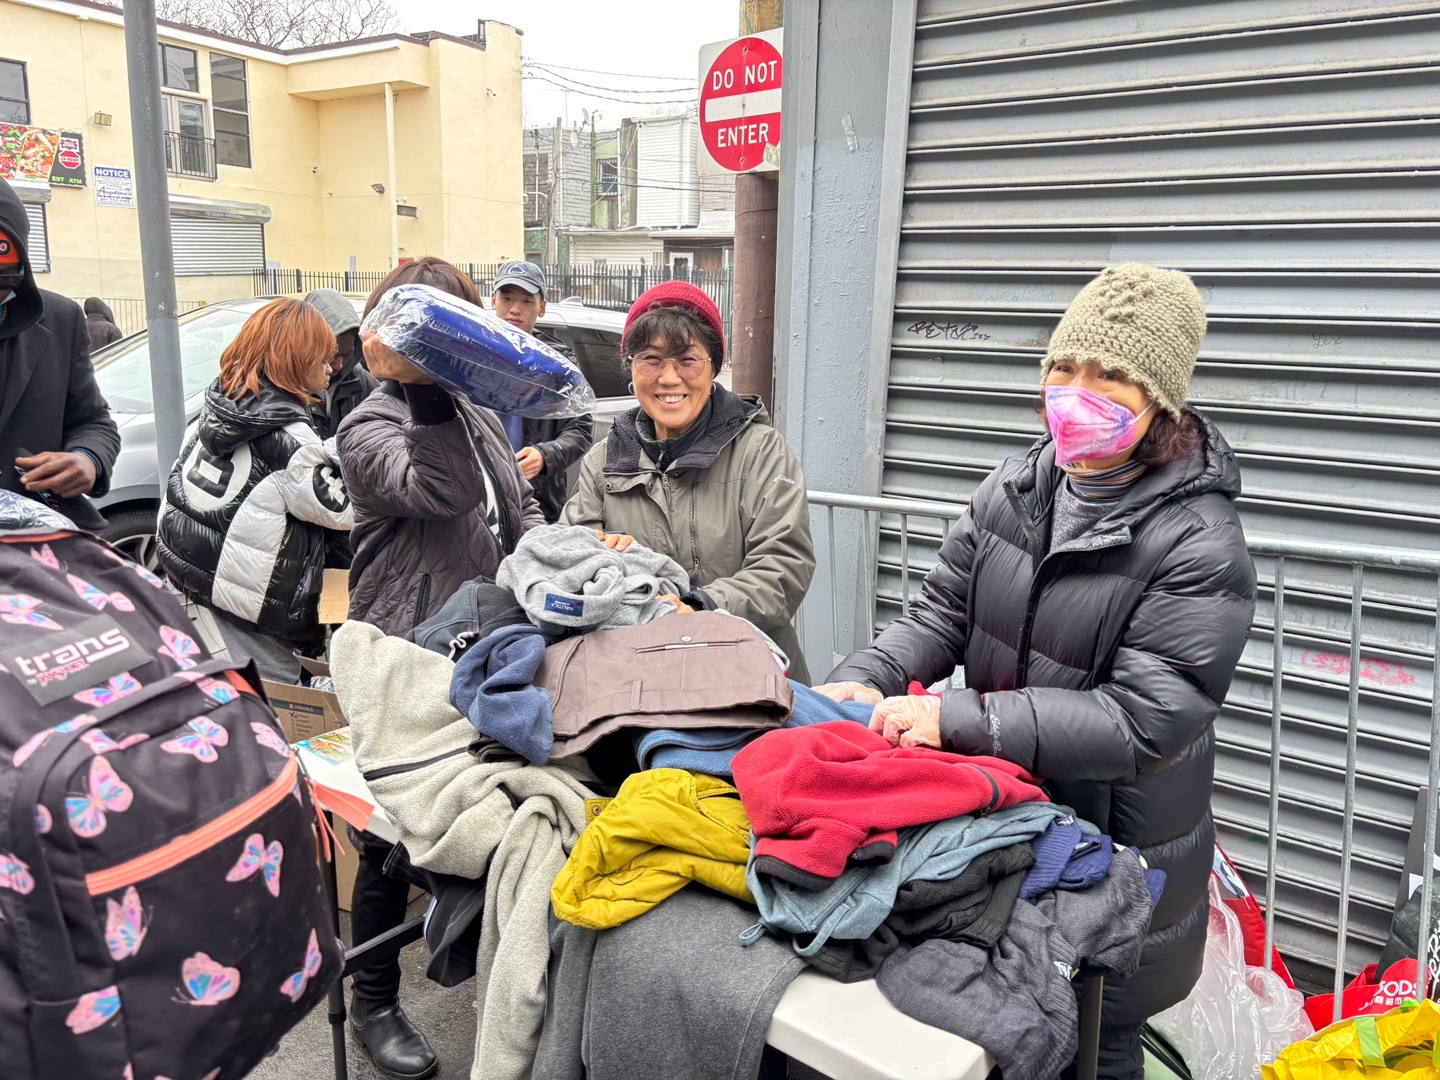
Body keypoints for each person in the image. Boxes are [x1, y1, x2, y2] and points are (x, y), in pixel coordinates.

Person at [816, 264, 1257, 1079]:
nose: (1076, 392)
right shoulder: (1016, 487)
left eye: (1109, 375)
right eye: (1065, 366)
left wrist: (957, 719)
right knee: (999, 1036)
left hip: (1118, 861)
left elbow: (1140, 720)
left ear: (1161, 399)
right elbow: (941, 614)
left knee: (1092, 1047)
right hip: (1008, 830)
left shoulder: (1200, 542)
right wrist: (870, 674)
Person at [335, 256, 544, 1080]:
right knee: (388, 826)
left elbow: (515, 505)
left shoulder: (476, 409)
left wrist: (553, 562)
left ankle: (487, 971)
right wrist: (422, 388)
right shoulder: (369, 423)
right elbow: (443, 491)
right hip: (407, 644)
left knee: (486, 804)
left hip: (486, 638)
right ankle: (373, 1000)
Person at [561, 281, 817, 682]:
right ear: (630, 367)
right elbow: (570, 563)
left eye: (687, 360)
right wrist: (605, 563)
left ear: (713, 367)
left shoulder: (760, 451)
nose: (669, 378)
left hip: (748, 675)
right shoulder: (604, 461)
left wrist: (699, 607)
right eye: (651, 359)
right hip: (638, 679)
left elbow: (783, 566)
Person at [155, 298, 353, 684]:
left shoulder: (224, 402)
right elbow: (343, 510)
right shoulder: (289, 438)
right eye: (323, 359)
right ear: (296, 361)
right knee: (272, 696)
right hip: (244, 596)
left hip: (192, 570)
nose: (332, 368)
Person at [0, 178, 120, 532]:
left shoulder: (61, 319)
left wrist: (87, 458)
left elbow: (93, 421)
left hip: (38, 539)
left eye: (3, 280)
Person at [488, 260, 594, 522]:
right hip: (480, 495)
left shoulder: (558, 364)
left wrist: (545, 456)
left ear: (542, 307)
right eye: (507, 298)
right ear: (493, 300)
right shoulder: (471, 352)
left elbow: (580, 430)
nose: (515, 309)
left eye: (527, 301)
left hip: (537, 501)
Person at [303, 287, 378, 440]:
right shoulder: (285, 387)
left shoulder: (361, 381)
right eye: (331, 354)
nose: (339, 365)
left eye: (348, 354)